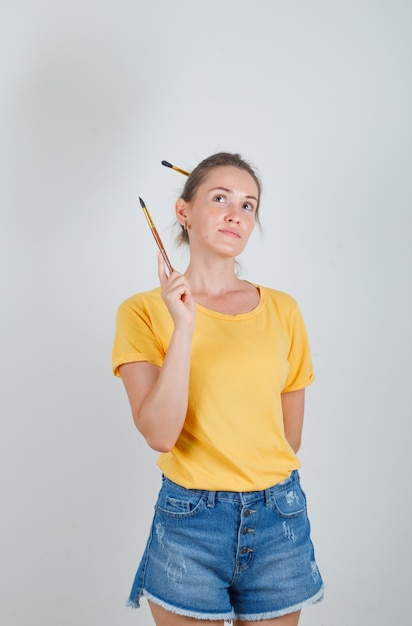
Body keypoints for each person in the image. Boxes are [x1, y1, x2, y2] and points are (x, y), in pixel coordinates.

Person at [112, 152, 324, 625]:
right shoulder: (143, 312)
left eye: (248, 205)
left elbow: (289, 437)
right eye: (220, 198)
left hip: (279, 518)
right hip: (190, 521)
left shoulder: (284, 310)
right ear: (183, 212)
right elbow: (160, 435)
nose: (236, 213)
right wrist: (184, 326)